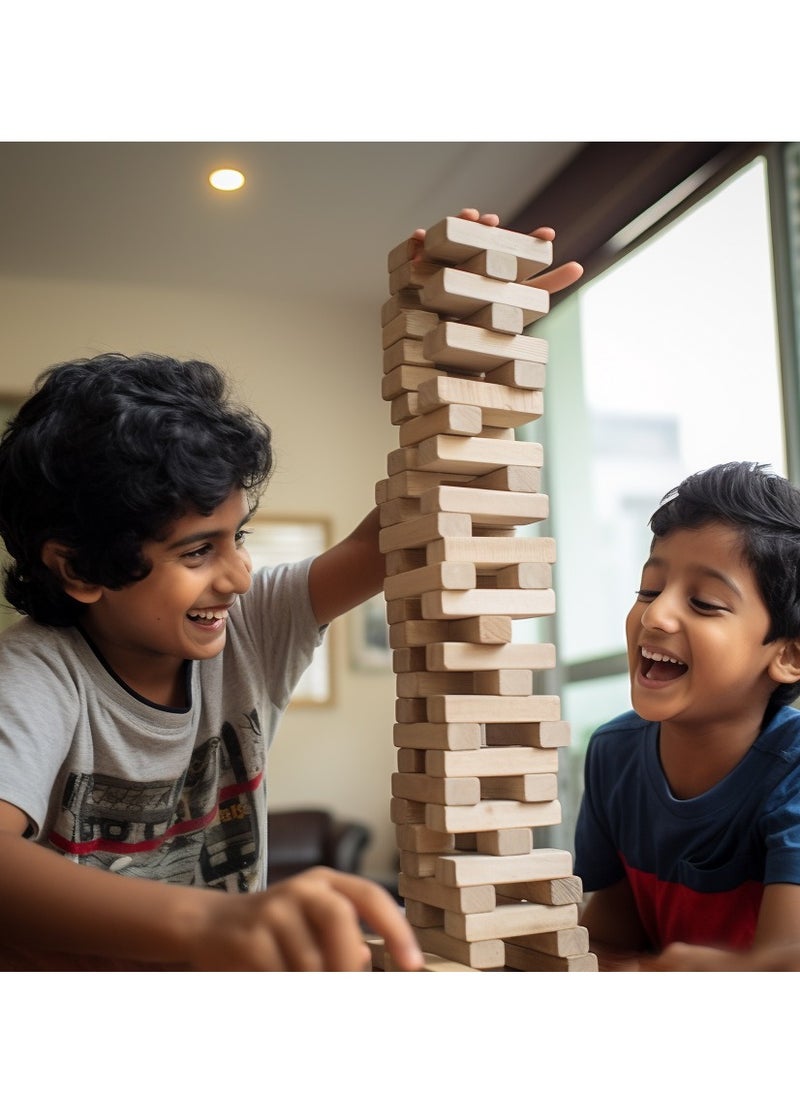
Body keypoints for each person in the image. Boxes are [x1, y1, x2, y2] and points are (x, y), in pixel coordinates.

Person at [0, 209, 583, 971]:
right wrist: (218, 925)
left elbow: (399, 529)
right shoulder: (39, 676)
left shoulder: (250, 627)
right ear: (78, 568)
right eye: (198, 550)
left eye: (237, 538)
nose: (238, 576)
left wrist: (463, 331)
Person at [574, 461, 800, 972]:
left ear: (788, 656)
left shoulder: (793, 774)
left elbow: (783, 970)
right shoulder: (612, 753)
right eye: (649, 590)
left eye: (703, 602)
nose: (655, 616)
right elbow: (610, 936)